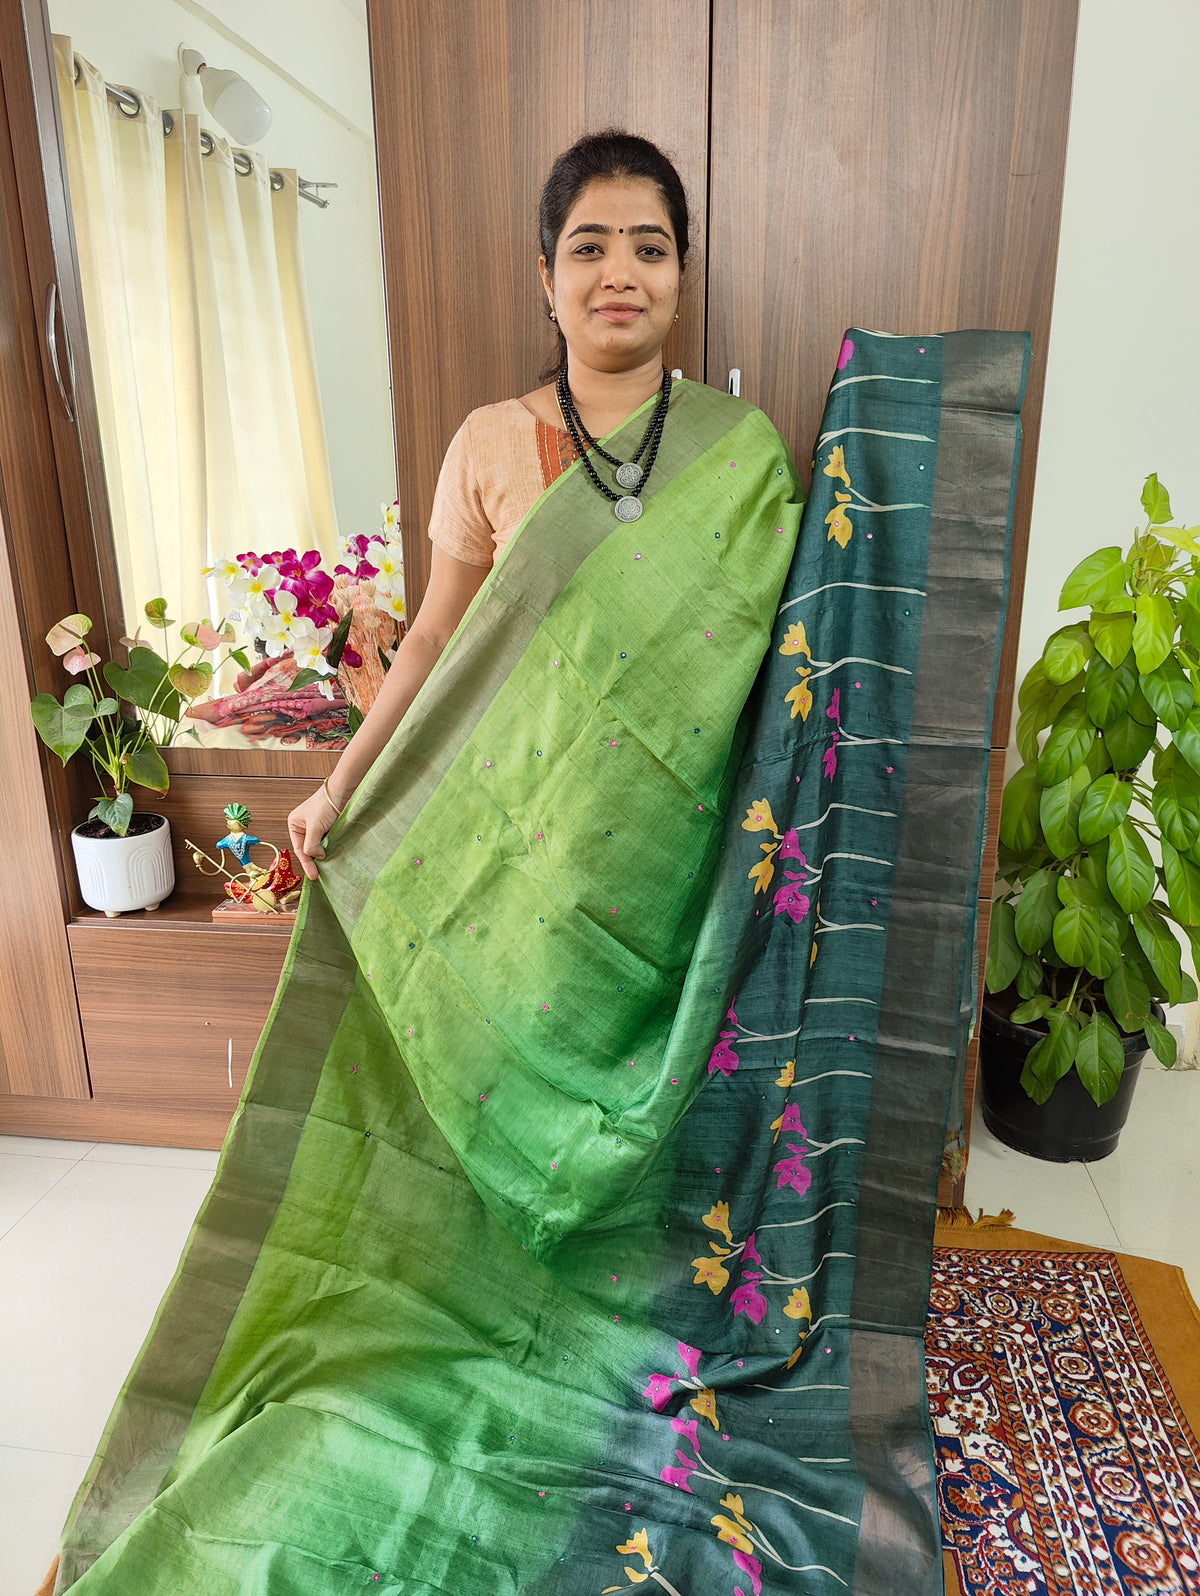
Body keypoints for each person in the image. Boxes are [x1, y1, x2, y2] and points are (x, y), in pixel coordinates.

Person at [286, 129, 710, 878]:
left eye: (649, 249)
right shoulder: (490, 443)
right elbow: (433, 636)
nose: (620, 274)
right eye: (589, 249)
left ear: (681, 275)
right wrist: (335, 786)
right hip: (525, 831)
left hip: (690, 826)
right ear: (547, 278)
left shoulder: (734, 448)